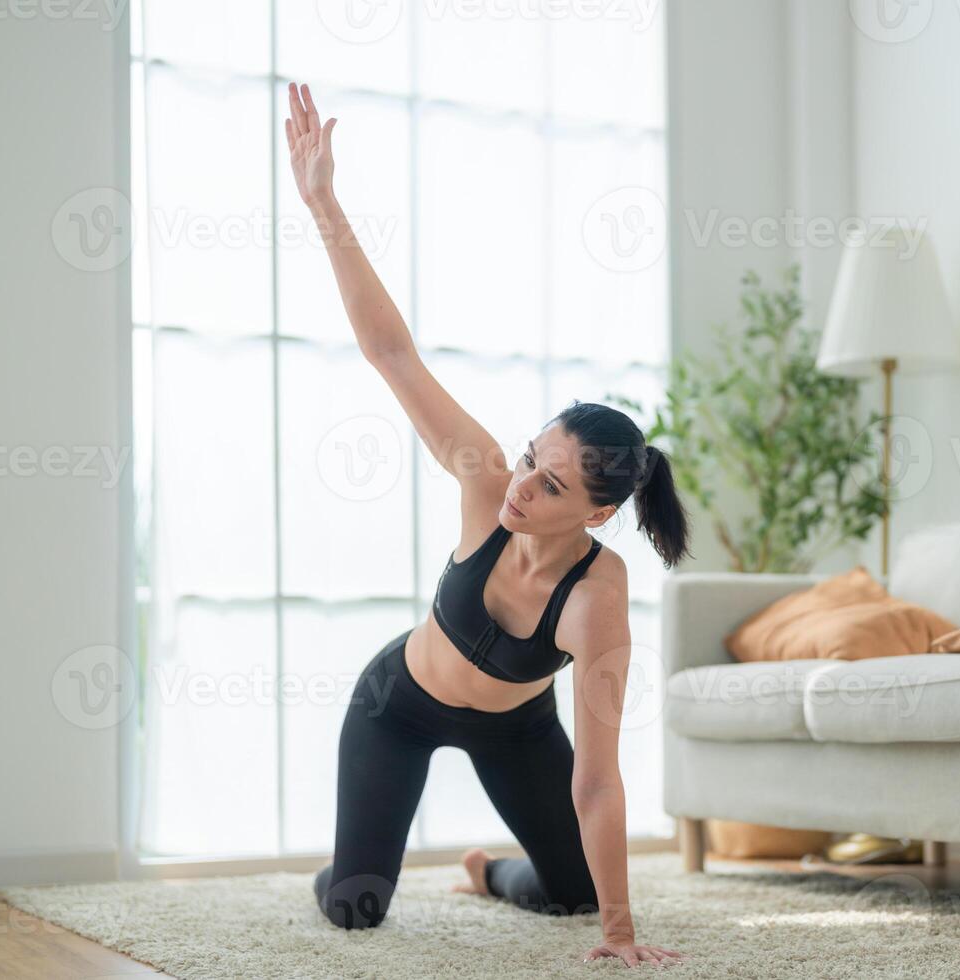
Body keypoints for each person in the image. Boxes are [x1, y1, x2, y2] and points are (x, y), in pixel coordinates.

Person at [285, 80, 688, 969]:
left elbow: (599, 774)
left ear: (600, 512)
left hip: (516, 731)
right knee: (357, 910)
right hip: (400, 708)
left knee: (575, 898)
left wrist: (619, 932)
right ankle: (353, 863)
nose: (520, 490)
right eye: (528, 459)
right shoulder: (485, 483)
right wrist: (323, 200)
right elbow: (392, 352)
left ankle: (486, 869)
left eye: (549, 486)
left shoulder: (598, 599)